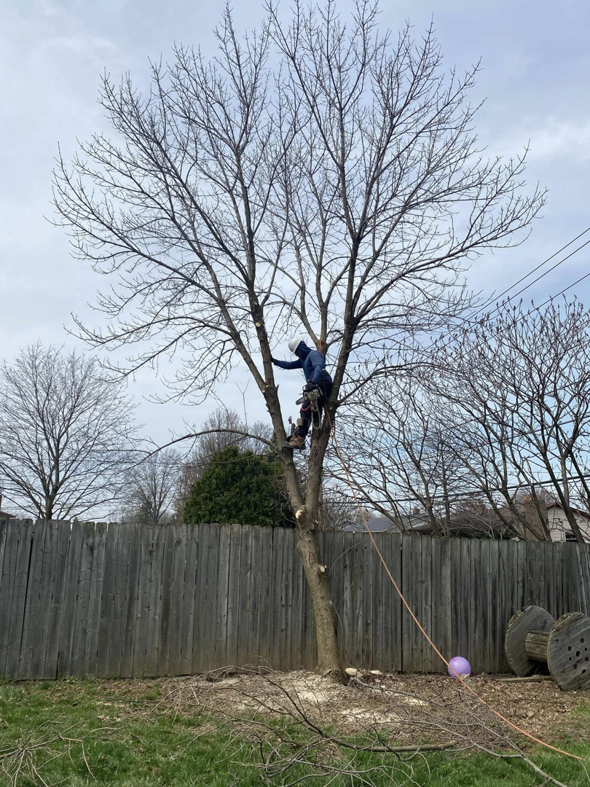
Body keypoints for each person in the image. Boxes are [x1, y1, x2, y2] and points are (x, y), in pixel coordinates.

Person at [272, 338, 333, 449]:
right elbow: (288, 365)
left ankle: (300, 438)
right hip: (315, 386)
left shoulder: (313, 354)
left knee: (305, 408)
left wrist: (314, 380)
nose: (298, 355)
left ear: (301, 347)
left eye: (297, 352)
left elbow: (319, 366)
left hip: (323, 384)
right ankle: (299, 434)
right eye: (296, 353)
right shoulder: (302, 360)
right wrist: (274, 361)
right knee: (308, 411)